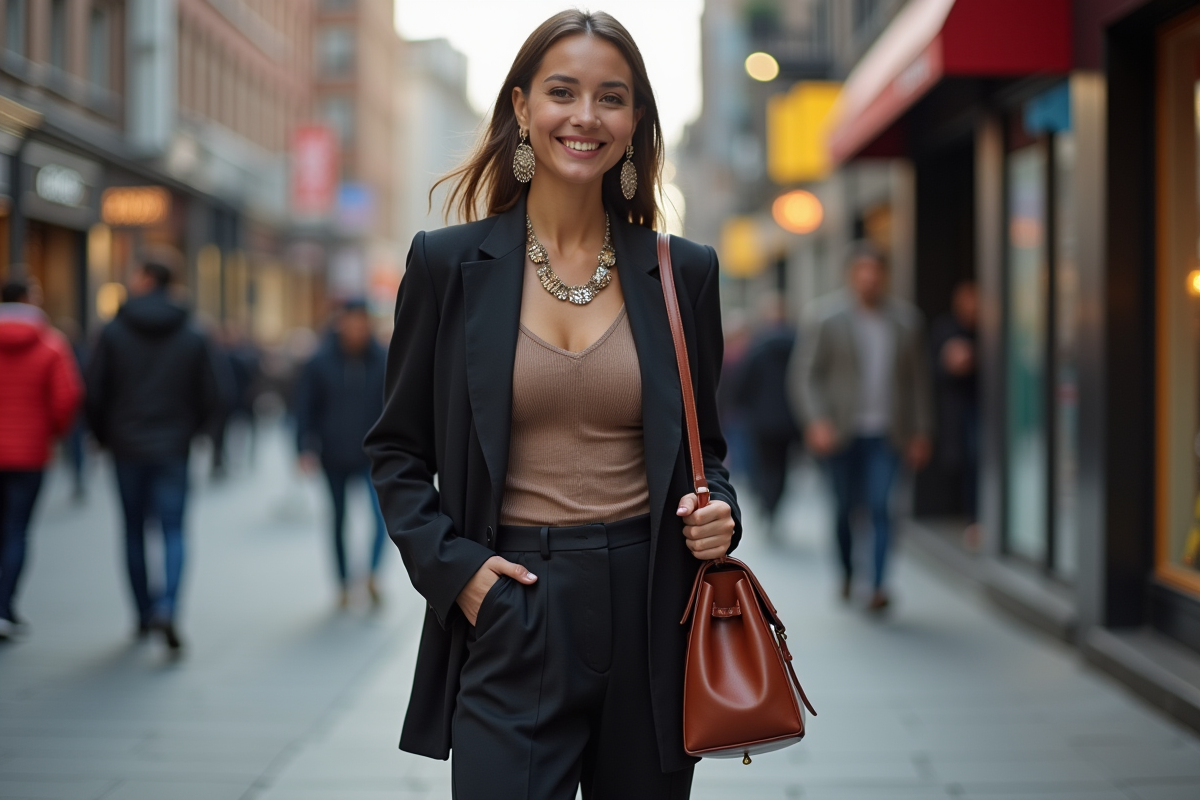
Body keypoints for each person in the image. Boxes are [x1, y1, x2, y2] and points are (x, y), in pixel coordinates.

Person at [364, 11, 740, 799]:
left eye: (611, 97)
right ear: (521, 107)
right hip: (513, 605)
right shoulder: (447, 265)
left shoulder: (683, 273)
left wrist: (720, 514)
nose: (585, 117)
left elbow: (707, 446)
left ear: (635, 121)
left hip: (653, 610)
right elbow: (396, 451)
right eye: (562, 92)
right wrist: (461, 574)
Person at [86, 259, 228, 654]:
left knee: (133, 530)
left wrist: (102, 435)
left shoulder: (114, 332)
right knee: (174, 529)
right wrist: (192, 432)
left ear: (147, 279)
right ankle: (169, 607)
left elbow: (95, 391)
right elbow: (214, 392)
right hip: (173, 446)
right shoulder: (193, 332)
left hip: (126, 445)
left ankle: (143, 613)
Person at [792, 243, 932, 612]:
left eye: (876, 271)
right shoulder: (825, 318)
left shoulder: (907, 322)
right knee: (844, 509)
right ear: (851, 275)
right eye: (862, 271)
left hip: (889, 433)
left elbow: (919, 382)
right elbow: (805, 376)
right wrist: (816, 421)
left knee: (882, 506)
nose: (869, 278)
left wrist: (922, 431)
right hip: (840, 433)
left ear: (885, 276)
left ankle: (879, 585)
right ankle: (849, 573)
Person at [0, 279, 82, 639]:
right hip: (30, 454)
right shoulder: (51, 344)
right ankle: (4, 606)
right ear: (28, 299)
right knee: (17, 530)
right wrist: (50, 433)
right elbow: (67, 397)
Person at [294, 300, 387, 609]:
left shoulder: (384, 360)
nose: (357, 329)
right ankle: (343, 584)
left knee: (381, 518)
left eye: (362, 322)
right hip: (333, 455)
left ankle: (372, 574)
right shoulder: (320, 361)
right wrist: (303, 448)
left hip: (373, 456)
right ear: (340, 323)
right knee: (337, 520)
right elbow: (304, 408)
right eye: (351, 321)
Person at [733, 292, 800, 536]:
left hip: (761, 419)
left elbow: (744, 381)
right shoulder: (797, 344)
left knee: (762, 464)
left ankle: (766, 503)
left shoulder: (757, 347)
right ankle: (774, 504)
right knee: (782, 466)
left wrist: (741, 404)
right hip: (789, 419)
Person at [931, 281, 980, 540]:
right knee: (968, 460)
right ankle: (972, 518)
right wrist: (948, 362)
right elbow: (932, 370)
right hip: (957, 410)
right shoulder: (946, 328)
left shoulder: (990, 329)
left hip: (986, 409)